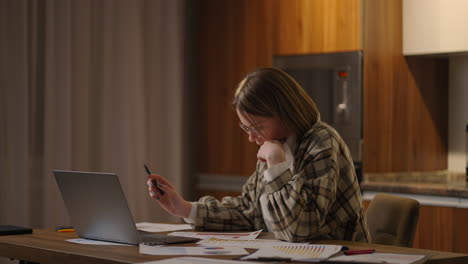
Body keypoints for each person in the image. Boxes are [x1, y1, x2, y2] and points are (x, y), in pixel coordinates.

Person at [147, 68, 370, 242]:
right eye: (246, 128)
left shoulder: (321, 142)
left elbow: (299, 230)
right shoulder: (275, 144)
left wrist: (276, 165)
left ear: (285, 113)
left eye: (257, 127)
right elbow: (249, 211)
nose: (252, 137)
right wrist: (184, 208)